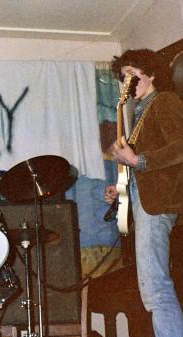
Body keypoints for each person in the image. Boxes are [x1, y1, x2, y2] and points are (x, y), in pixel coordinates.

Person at [104, 49, 183, 337]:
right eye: (123, 76)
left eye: (132, 74)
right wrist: (121, 187)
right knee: (151, 287)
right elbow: (140, 166)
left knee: (155, 288)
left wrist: (139, 161)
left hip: (156, 206)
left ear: (150, 74)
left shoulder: (164, 101)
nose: (127, 81)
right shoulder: (140, 113)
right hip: (144, 204)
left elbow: (180, 147)